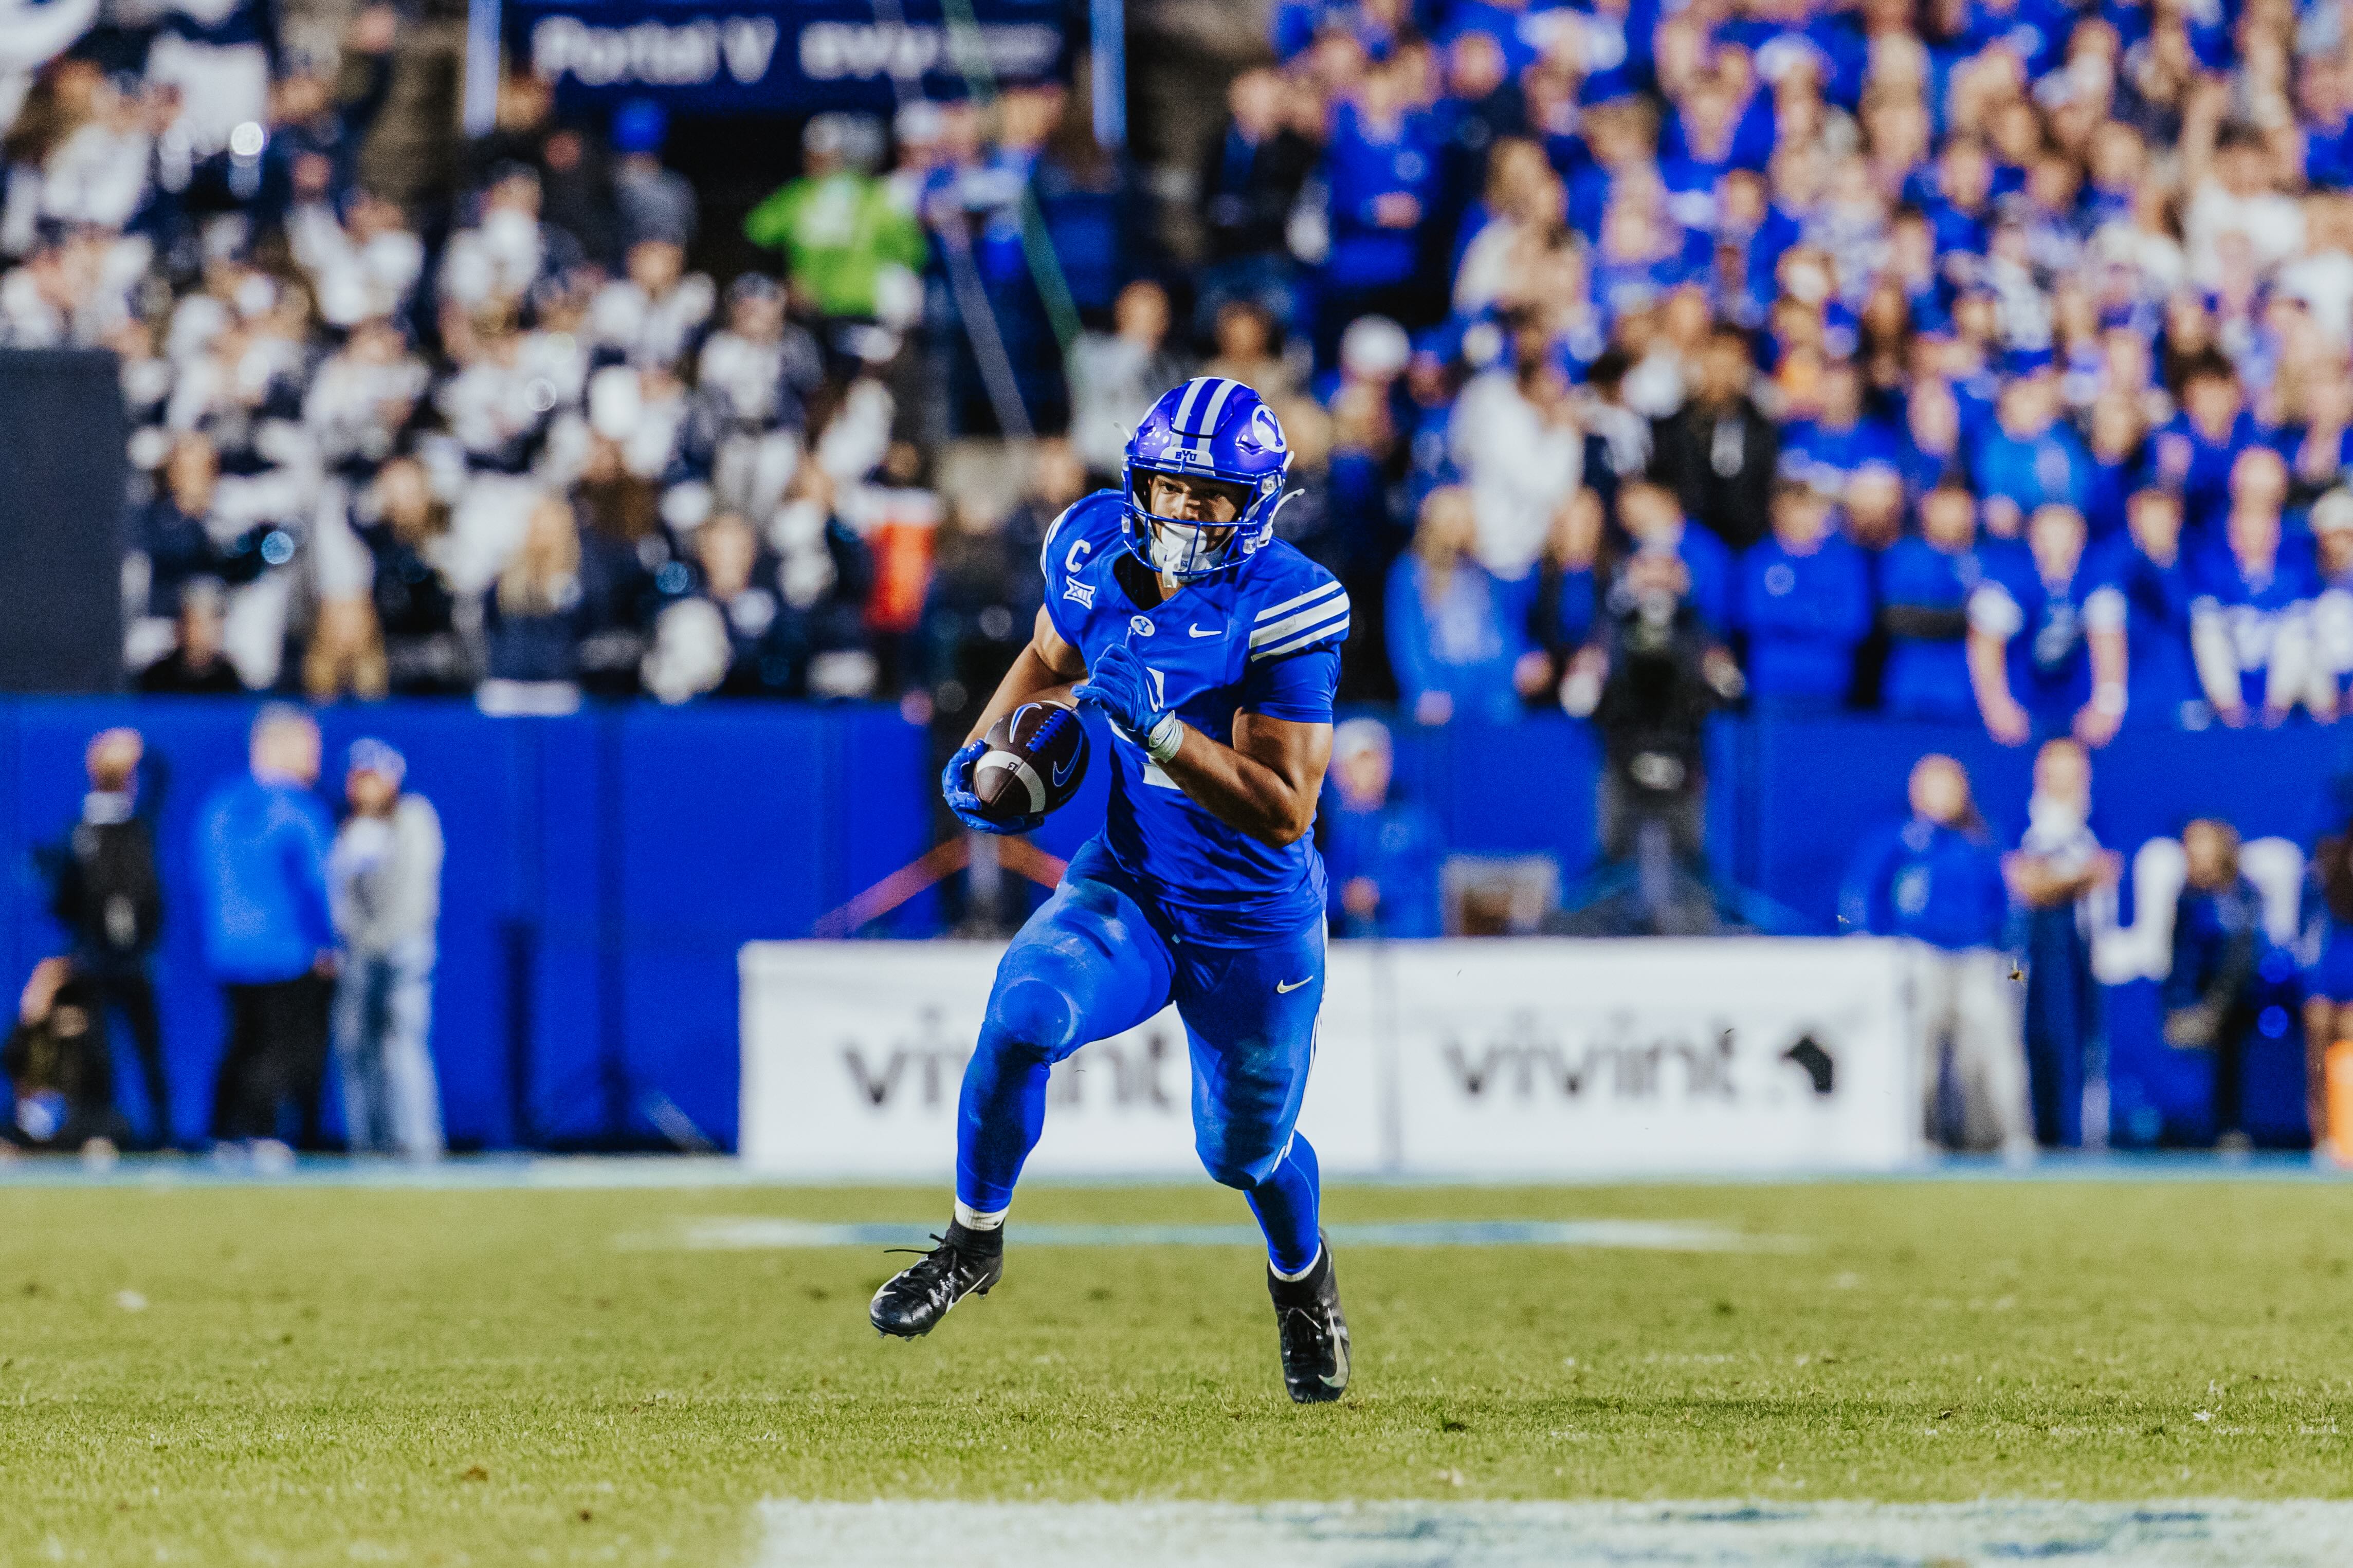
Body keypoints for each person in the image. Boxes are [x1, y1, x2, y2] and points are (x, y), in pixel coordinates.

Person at [872, 378, 1355, 1405]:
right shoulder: (1089, 545)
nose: (1183, 513)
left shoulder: (1287, 603)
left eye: (1210, 497)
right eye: (1169, 489)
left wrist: (1167, 734)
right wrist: (981, 756)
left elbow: (1281, 809)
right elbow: (1047, 660)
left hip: (1249, 922)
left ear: (1256, 505)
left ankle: (1300, 1280)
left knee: (1243, 1152)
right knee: (1023, 1010)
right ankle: (971, 1240)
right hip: (1132, 878)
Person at [1840, 755, 2033, 1158]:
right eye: (1935, 785)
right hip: (1918, 954)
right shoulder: (1899, 839)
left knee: (1992, 1049)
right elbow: (1860, 897)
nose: (1945, 795)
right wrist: (1874, 948)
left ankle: (2005, 1137)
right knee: (1918, 1052)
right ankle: (1917, 1134)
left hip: (1979, 955)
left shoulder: (1983, 839)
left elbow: (2008, 903)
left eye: (1952, 785)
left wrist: (2011, 959)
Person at [194, 707, 337, 1165]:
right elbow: (322, 885)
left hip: (229, 947)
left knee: (239, 1040)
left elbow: (204, 877)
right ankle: (262, 1132)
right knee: (280, 1046)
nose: (316, 758)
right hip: (287, 948)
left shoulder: (217, 804)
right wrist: (332, 942)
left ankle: (223, 1132)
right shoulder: (299, 809)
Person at [43, 729, 169, 1149]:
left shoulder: (137, 823)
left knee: (149, 1048)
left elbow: (163, 775)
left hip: (135, 958)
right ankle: (98, 1130)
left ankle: (162, 1133)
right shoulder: (81, 830)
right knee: (95, 1050)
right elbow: (63, 895)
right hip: (94, 958)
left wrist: (139, 746)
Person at [327, 740, 445, 1160]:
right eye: (358, 779)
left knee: (403, 1044)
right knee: (356, 1047)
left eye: (373, 777)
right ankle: (367, 1143)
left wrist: (379, 940)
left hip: (402, 950)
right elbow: (340, 896)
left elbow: (413, 893)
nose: (365, 788)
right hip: (360, 952)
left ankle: (417, 1142)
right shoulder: (350, 827)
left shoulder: (413, 817)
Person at [2002, 739, 2121, 1149]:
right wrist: (2076, 878)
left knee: (2086, 1043)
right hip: (2025, 953)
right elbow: (2025, 884)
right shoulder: (2022, 816)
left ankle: (2082, 1135)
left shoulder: (2098, 818)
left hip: (2087, 944)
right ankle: (2038, 1132)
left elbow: (2108, 871)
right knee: (2034, 1036)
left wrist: (2061, 879)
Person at [2164, 818, 2285, 1153]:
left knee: (2232, 1059)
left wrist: (2216, 1007)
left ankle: (2232, 1128)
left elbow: (2242, 957)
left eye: (2202, 842)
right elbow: (2180, 956)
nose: (2193, 851)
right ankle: (2190, 1129)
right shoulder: (2187, 896)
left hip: (2236, 1001)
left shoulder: (2243, 893)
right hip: (2195, 999)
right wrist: (2178, 1002)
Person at [1735, 481, 1872, 714]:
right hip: (1773, 682)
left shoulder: (1846, 562)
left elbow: (1854, 623)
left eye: (1809, 509)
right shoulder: (1758, 559)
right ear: (1778, 512)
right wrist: (1819, 614)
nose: (1802, 517)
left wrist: (1789, 615)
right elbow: (1753, 616)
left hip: (1829, 682)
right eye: (1794, 509)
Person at [1320, 717, 1442, 939]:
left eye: (1378, 758)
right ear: (1338, 770)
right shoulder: (1323, 828)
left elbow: (1426, 887)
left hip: (1410, 949)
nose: (1373, 768)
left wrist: (1380, 892)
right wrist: (1343, 896)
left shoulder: (1415, 823)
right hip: (1342, 950)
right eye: (1362, 759)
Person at [4, 959, 127, 1158]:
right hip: (34, 1112)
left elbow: (101, 1073)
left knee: (112, 1126)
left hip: (77, 1114)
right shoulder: (31, 1026)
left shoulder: (86, 1019)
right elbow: (12, 1062)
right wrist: (30, 1020)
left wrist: (79, 1032)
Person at [2301, 818, 2353, 1156]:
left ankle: (2346, 1129)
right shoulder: (2330, 877)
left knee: (2349, 1028)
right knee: (2318, 1025)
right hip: (2332, 971)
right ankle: (2321, 1135)